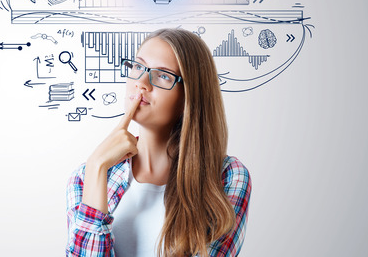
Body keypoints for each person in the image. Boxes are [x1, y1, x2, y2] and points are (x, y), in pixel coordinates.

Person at [66, 28, 251, 257]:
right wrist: (96, 166)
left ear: (189, 96)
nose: (142, 83)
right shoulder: (85, 177)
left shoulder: (228, 177)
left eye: (163, 75)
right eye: (138, 67)